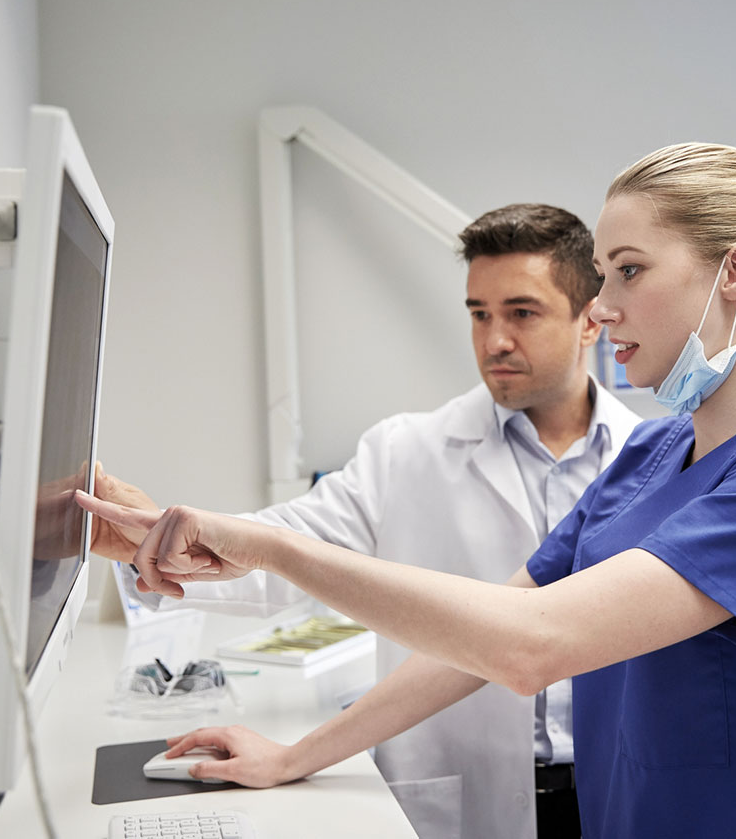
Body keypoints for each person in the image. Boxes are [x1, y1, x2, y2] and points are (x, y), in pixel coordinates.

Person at [81, 143, 736, 837]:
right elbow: (476, 639)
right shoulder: (654, 454)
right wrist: (298, 755)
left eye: (627, 272)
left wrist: (272, 546)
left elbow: (534, 645)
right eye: (601, 276)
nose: (607, 309)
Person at [89, 203, 640, 839]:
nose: (494, 341)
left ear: (590, 323)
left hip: (605, 789)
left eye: (522, 313)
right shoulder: (405, 452)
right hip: (461, 790)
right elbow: (283, 553)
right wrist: (150, 543)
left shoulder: (651, 459)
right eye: (479, 314)